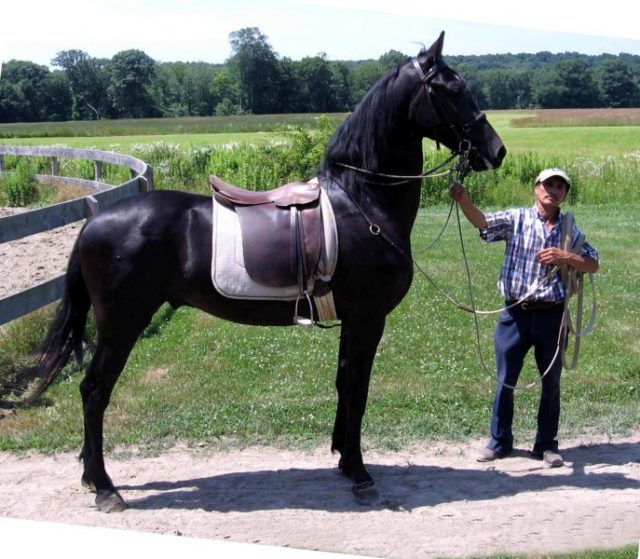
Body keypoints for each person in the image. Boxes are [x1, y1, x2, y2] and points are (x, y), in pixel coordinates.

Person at [449, 168, 599, 467]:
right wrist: (463, 199)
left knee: (551, 381)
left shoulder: (569, 229)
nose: (553, 191)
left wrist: (565, 257)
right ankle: (499, 442)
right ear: (536, 188)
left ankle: (546, 445)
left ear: (565, 195)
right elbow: (483, 222)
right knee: (505, 379)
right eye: (547, 185)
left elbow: (593, 264)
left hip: (553, 317)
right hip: (514, 314)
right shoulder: (516, 218)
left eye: (560, 187)